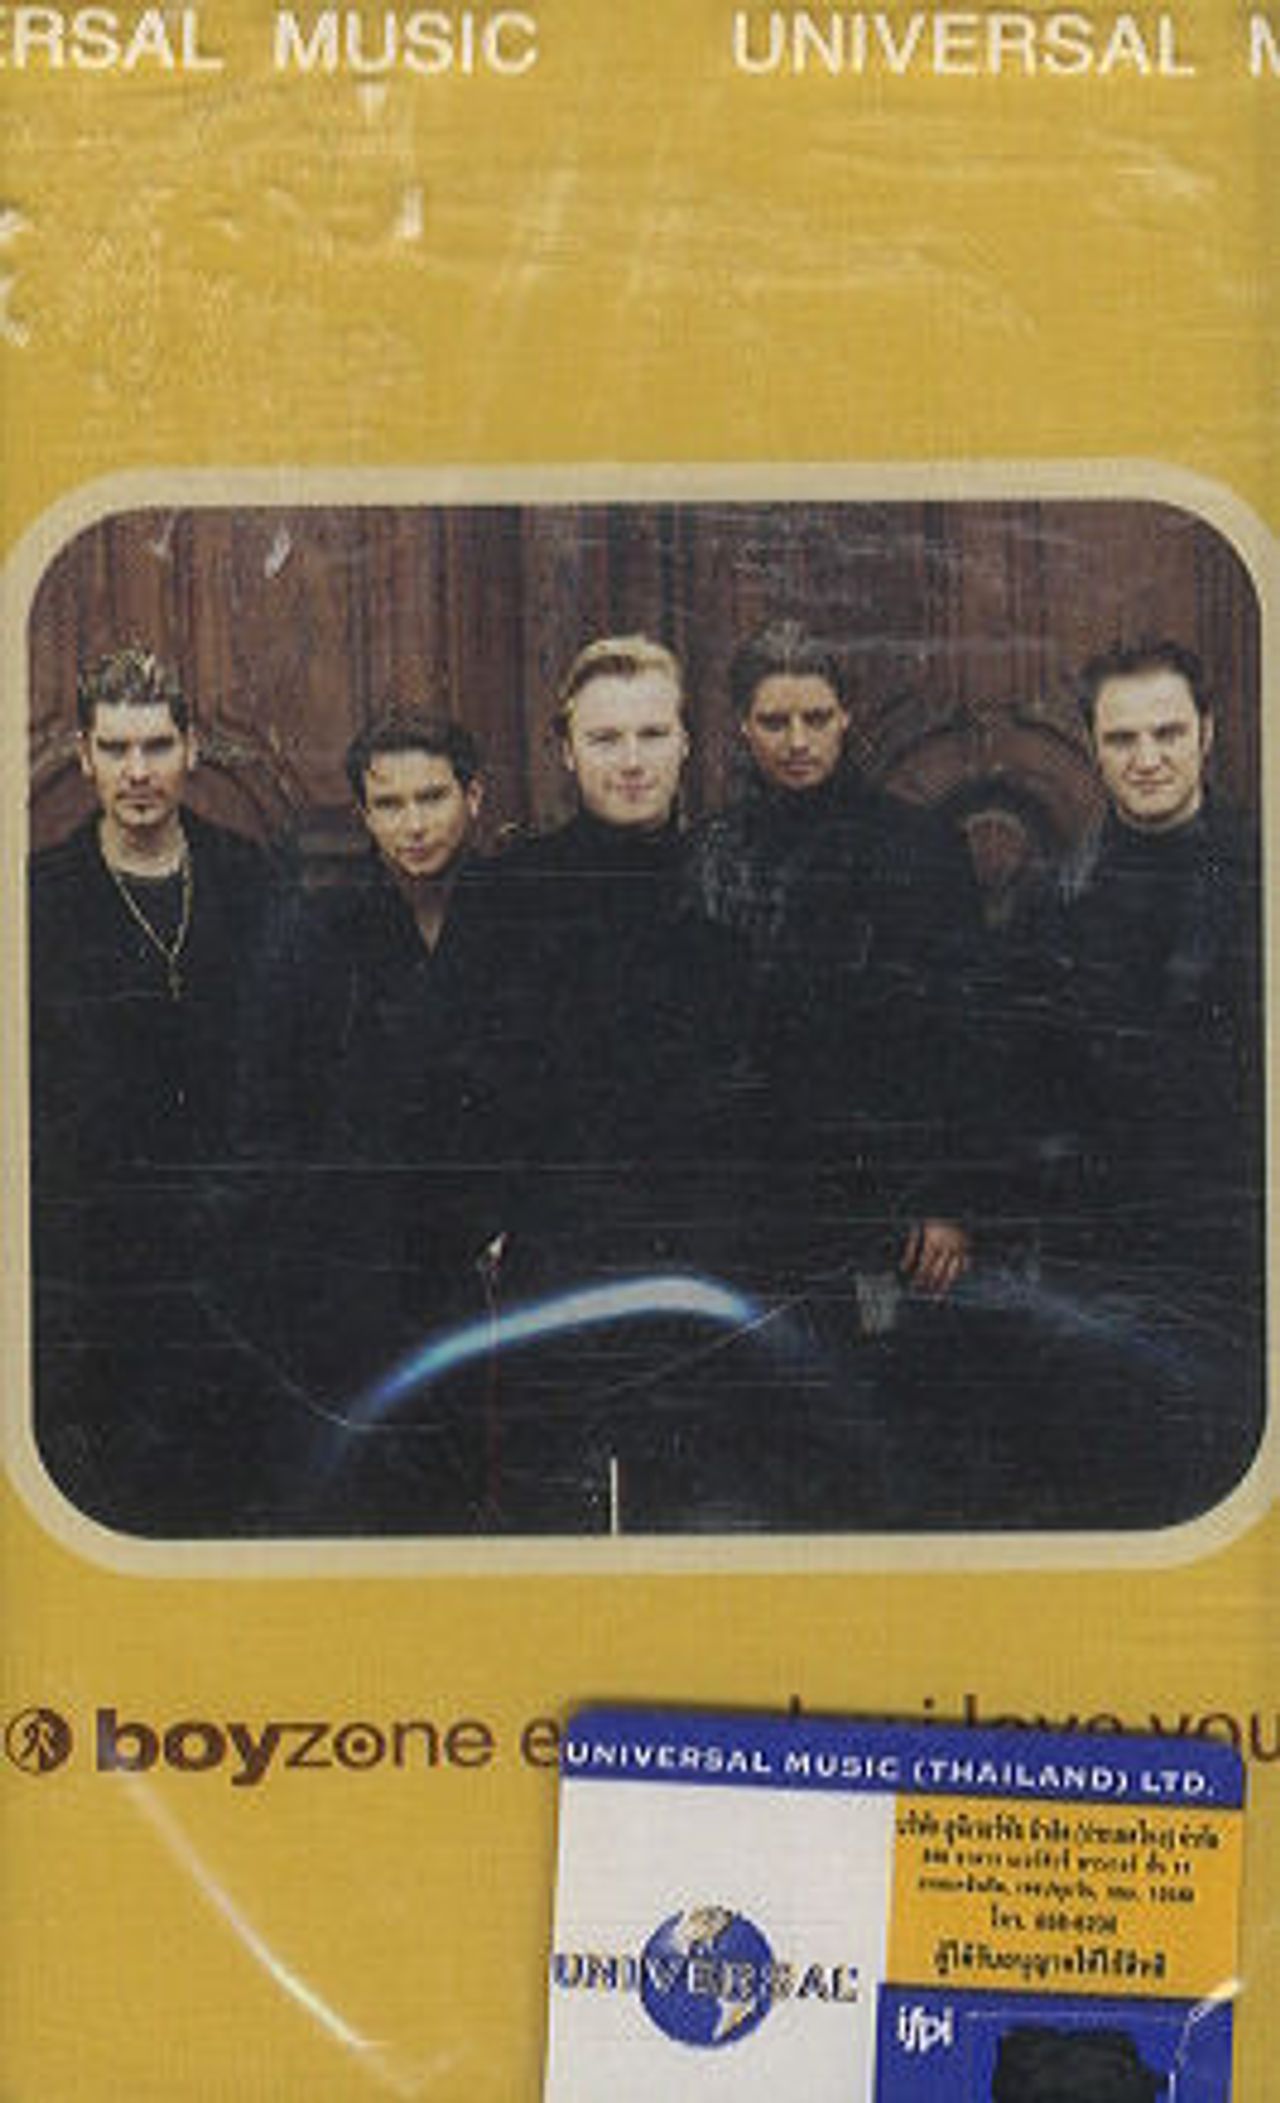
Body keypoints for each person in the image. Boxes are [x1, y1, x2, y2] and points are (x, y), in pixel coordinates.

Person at [430, 636, 760, 1530]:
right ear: (566, 751)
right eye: (606, 738)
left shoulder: (736, 883)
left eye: (651, 734)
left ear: (686, 742)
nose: (631, 759)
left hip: (705, 1261)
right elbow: (453, 1075)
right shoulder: (508, 893)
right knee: (561, 1516)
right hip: (558, 1258)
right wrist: (492, 1222)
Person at [1001, 639, 1264, 1521]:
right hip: (1107, 1265)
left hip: (1243, 1260)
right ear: (1091, 744)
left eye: (1168, 732)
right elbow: (1026, 1088)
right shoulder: (1050, 900)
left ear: (1209, 732)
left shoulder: (1263, 874)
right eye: (1122, 738)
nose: (1147, 758)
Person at [29, 645, 277, 1532]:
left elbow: (284, 1065)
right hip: (93, 1266)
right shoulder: (38, 897)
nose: (138, 771)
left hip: (232, 1252)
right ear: (84, 757)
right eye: (116, 747)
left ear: (193, 748)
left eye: (158, 745)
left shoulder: (251, 878)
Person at [228, 711, 492, 1529]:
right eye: (389, 804)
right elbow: (271, 1118)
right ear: (364, 815)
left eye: (431, 797)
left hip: (488, 1266)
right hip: (357, 1274)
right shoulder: (318, 936)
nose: (414, 824)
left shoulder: (518, 916)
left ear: (474, 797)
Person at [687, 618, 983, 1314]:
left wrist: (950, 1198)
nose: (798, 741)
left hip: (889, 1203)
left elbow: (966, 1034)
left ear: (846, 715)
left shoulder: (919, 845)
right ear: (742, 725)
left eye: (816, 718)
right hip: (749, 1199)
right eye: (775, 721)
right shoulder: (708, 853)